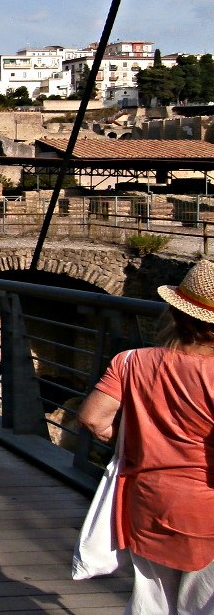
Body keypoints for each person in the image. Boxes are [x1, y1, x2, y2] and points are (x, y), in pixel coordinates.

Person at [78, 259, 214, 614]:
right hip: (207, 507)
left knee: (150, 599)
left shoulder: (130, 361)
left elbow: (93, 419)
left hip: (146, 499)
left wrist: (136, 439)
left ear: (176, 311)